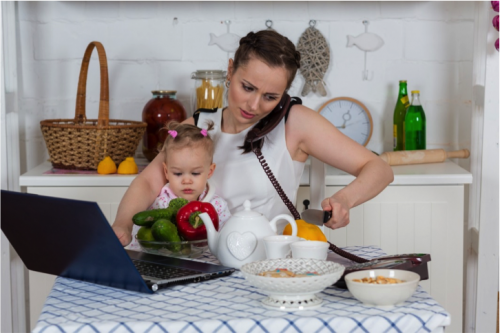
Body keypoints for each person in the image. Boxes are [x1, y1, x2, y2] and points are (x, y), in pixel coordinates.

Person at [113, 30, 393, 247]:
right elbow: (149, 180)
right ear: (230, 70)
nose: (254, 105)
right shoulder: (198, 126)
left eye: (271, 97)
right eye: (247, 87)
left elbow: (379, 169)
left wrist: (345, 199)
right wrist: (123, 225)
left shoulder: (295, 123)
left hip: (267, 266)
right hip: (201, 262)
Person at [126, 121, 231, 250]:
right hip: (164, 263)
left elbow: (227, 239)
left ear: (210, 171)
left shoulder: (218, 206)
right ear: (166, 172)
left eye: (195, 173)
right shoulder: (159, 203)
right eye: (178, 173)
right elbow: (141, 238)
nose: (186, 180)